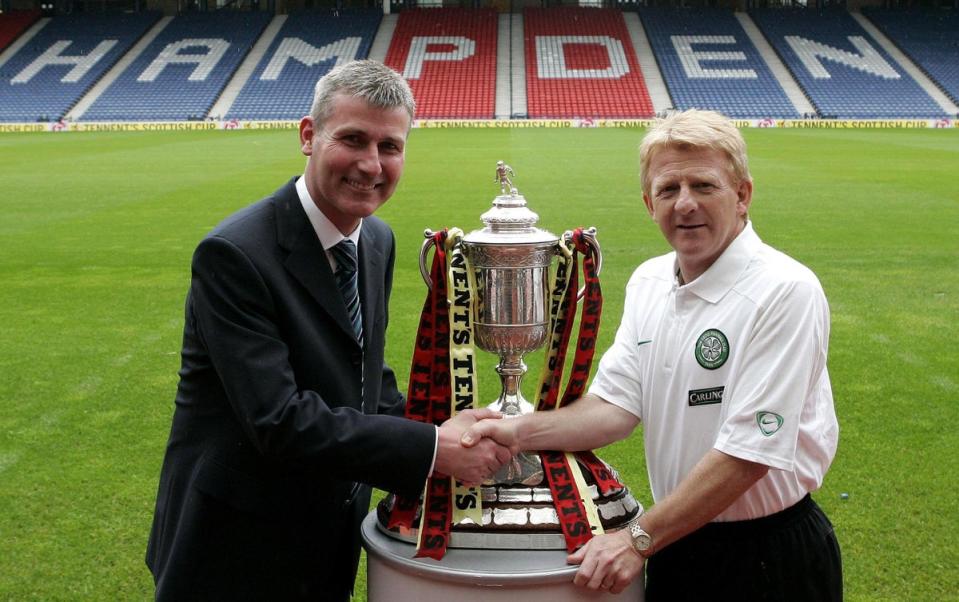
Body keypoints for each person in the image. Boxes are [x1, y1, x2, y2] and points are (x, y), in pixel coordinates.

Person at [145, 60, 511, 601]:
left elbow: (366, 380)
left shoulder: (376, 241)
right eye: (353, 139)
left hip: (326, 538)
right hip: (232, 550)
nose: (371, 164)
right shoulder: (235, 256)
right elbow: (279, 420)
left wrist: (459, 427)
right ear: (308, 135)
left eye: (390, 146)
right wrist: (433, 448)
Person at [463, 109, 842, 600]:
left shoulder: (785, 290)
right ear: (648, 202)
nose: (685, 204)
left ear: (743, 195)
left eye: (704, 186)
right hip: (677, 542)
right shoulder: (649, 280)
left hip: (766, 557)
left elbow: (748, 455)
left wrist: (637, 540)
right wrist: (516, 430)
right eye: (668, 190)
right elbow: (615, 408)